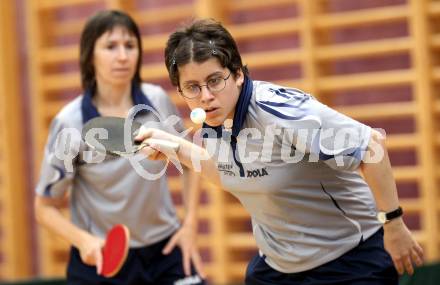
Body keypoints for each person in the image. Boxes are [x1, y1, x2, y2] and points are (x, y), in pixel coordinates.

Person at [134, 18, 424, 285]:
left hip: (349, 259)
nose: (206, 96)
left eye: (214, 80)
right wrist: (173, 146)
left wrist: (394, 224)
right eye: (192, 87)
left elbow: (371, 145)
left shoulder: (281, 112)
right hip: (278, 268)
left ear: (237, 74)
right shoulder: (212, 126)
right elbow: (227, 172)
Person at [34, 10, 205, 285]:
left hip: (165, 251)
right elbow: (44, 207)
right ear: (90, 55)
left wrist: (191, 225)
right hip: (101, 258)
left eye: (130, 45)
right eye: (111, 46)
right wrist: (83, 240)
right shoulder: (69, 122)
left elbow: (191, 161)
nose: (123, 56)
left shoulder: (156, 101)